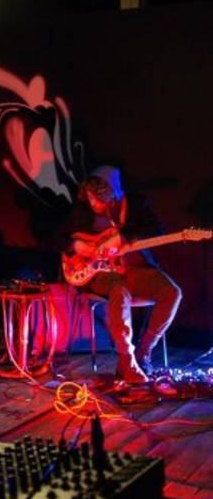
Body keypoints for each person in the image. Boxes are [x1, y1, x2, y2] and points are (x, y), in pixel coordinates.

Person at [59, 165, 182, 388]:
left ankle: (143, 353)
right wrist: (78, 246)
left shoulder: (136, 205)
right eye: (90, 197)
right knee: (119, 291)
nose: (93, 203)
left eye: (97, 198)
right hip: (100, 274)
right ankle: (127, 359)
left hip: (133, 269)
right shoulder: (83, 211)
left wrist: (123, 237)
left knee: (172, 293)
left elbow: (158, 229)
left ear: (111, 193)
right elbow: (55, 236)